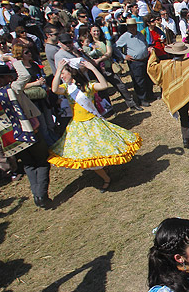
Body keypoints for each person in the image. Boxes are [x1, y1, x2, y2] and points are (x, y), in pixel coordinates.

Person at [49, 59, 142, 192]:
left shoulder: (87, 86)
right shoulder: (66, 89)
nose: (62, 76)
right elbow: (54, 89)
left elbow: (103, 85)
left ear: (72, 73)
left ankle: (104, 172)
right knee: (86, 155)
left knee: (99, 149)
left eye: (64, 73)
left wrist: (92, 68)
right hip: (78, 127)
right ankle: (106, 178)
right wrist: (58, 71)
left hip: (93, 123)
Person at [147, 31, 189, 149]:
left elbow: (151, 67)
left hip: (177, 96)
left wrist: (152, 52)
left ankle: (186, 140)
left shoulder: (165, 65)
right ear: (184, 53)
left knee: (184, 117)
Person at [0, 64, 51, 208]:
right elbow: (24, 75)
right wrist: (12, 59)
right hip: (27, 131)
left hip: (11, 139)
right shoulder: (12, 89)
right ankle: (41, 194)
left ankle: (36, 194)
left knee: (29, 165)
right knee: (42, 161)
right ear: (3, 79)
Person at [82, 25, 142, 111]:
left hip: (108, 68)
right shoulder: (88, 44)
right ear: (90, 32)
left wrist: (98, 60)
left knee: (121, 86)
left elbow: (109, 53)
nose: (96, 33)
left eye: (98, 31)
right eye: (94, 31)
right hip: (97, 71)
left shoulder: (106, 41)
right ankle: (108, 109)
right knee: (103, 92)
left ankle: (132, 104)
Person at [115, 18, 155, 107]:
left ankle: (149, 95)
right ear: (127, 27)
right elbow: (116, 47)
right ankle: (142, 99)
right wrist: (124, 56)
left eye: (134, 26)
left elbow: (145, 44)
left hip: (145, 59)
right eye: (130, 26)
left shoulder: (140, 34)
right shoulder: (125, 37)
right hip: (135, 62)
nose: (132, 28)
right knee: (139, 80)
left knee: (147, 78)